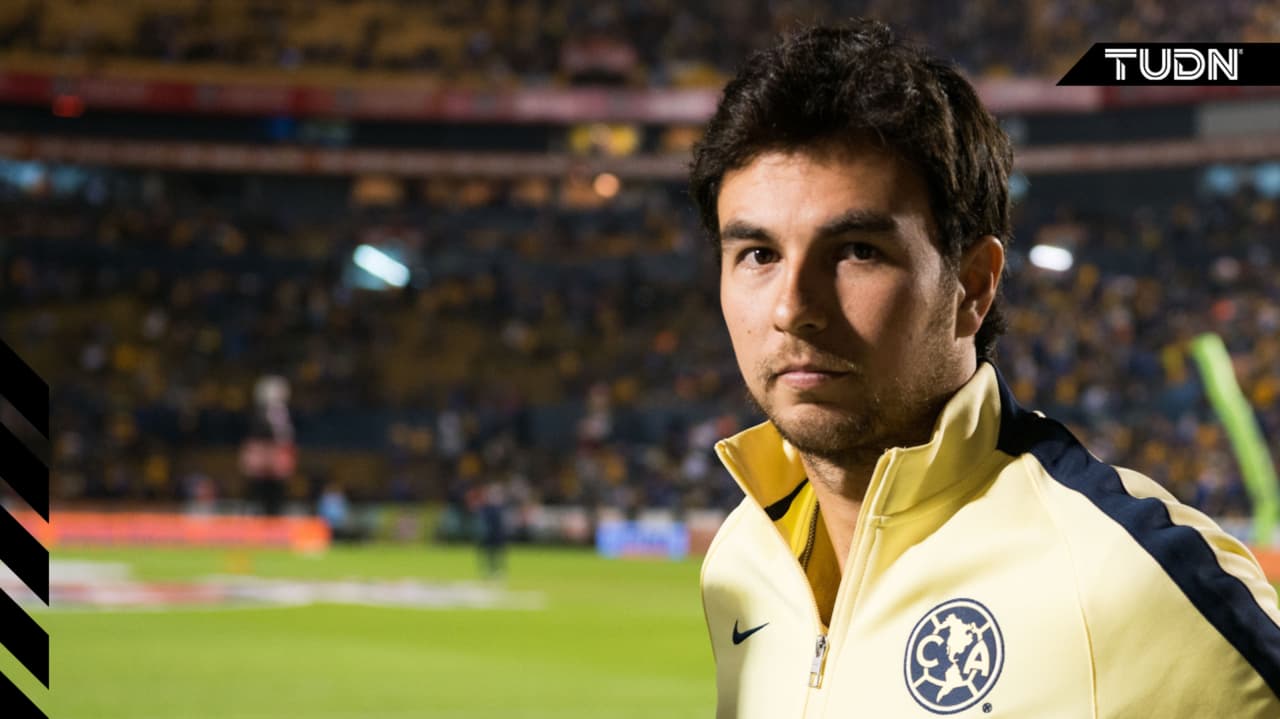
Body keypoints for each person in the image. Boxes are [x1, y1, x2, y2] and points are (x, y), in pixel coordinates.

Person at [688, 19, 1280, 718]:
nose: (793, 308)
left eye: (856, 251)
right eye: (758, 255)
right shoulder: (743, 560)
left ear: (972, 285)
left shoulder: (1131, 580)